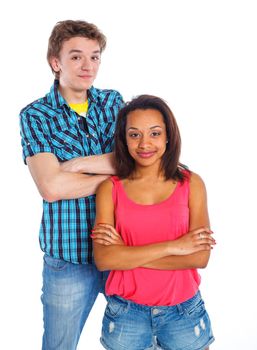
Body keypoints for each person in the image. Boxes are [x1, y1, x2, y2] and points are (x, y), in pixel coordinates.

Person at [19, 20, 123, 349]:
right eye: (76, 57)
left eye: (95, 57)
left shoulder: (112, 103)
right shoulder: (36, 115)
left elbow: (133, 162)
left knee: (135, 341)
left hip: (121, 248)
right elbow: (51, 187)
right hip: (68, 257)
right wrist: (117, 177)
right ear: (56, 62)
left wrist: (75, 166)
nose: (88, 66)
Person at [92, 95, 216, 350]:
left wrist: (125, 253)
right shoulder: (110, 189)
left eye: (155, 133)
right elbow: (105, 259)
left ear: (168, 136)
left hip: (184, 315)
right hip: (126, 317)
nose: (144, 143)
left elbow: (199, 258)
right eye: (134, 135)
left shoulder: (191, 184)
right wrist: (174, 246)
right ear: (124, 140)